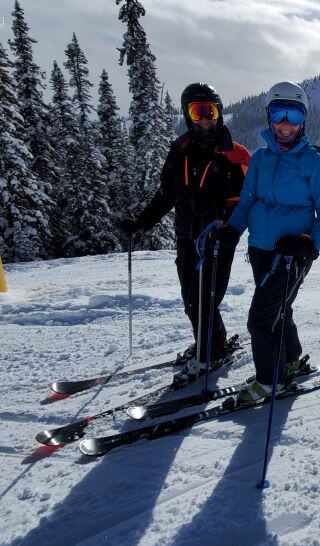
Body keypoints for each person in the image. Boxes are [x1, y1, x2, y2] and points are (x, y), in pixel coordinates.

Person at [217, 81, 320, 405]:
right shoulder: (260, 159)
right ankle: (291, 359)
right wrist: (232, 230)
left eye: (293, 115)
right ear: (268, 116)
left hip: (293, 254)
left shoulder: (315, 163)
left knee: (260, 319)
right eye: (278, 113)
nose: (285, 123)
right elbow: (246, 201)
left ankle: (271, 382)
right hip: (260, 249)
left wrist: (309, 243)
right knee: (277, 310)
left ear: (304, 120)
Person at [119, 83, 249, 372]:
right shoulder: (179, 151)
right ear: (187, 114)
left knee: (203, 299)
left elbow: (247, 202)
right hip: (186, 235)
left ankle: (209, 355)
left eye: (210, 110)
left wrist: (221, 217)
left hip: (218, 238)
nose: (205, 118)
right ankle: (212, 343)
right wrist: (140, 223)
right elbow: (166, 194)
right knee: (191, 300)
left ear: (219, 113)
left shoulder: (236, 156)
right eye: (197, 111)